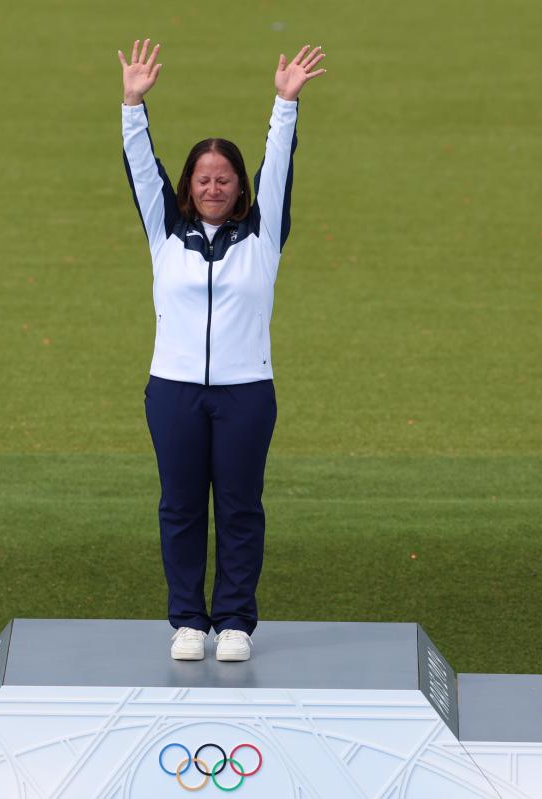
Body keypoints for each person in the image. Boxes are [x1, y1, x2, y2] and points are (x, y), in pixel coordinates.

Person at [118, 39, 326, 662]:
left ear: (240, 189)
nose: (213, 188)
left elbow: (279, 166)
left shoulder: (262, 237)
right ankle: (188, 620)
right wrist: (133, 103)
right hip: (173, 391)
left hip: (246, 393)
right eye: (203, 179)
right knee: (179, 507)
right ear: (188, 186)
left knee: (239, 508)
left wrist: (283, 105)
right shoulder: (165, 232)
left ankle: (234, 621)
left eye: (225, 179)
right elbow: (139, 166)